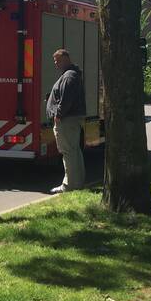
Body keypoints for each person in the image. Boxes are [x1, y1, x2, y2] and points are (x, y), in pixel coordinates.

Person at [47, 49, 86, 193]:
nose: (56, 64)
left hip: (66, 119)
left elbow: (66, 99)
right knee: (74, 150)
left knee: (68, 151)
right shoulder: (71, 75)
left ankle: (69, 185)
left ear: (65, 59)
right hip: (70, 118)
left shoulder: (69, 76)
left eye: (57, 61)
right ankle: (78, 182)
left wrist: (58, 114)